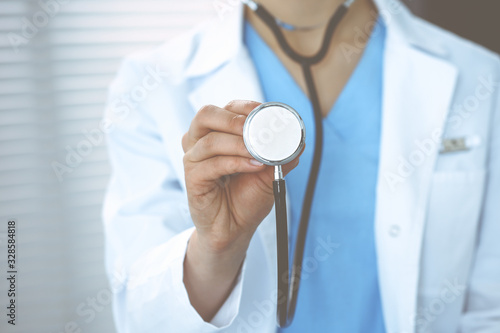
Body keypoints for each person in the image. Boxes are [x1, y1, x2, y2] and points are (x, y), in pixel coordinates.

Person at [102, 0, 500, 332]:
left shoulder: (481, 77)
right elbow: (143, 319)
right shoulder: (152, 84)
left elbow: (489, 308)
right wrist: (216, 247)